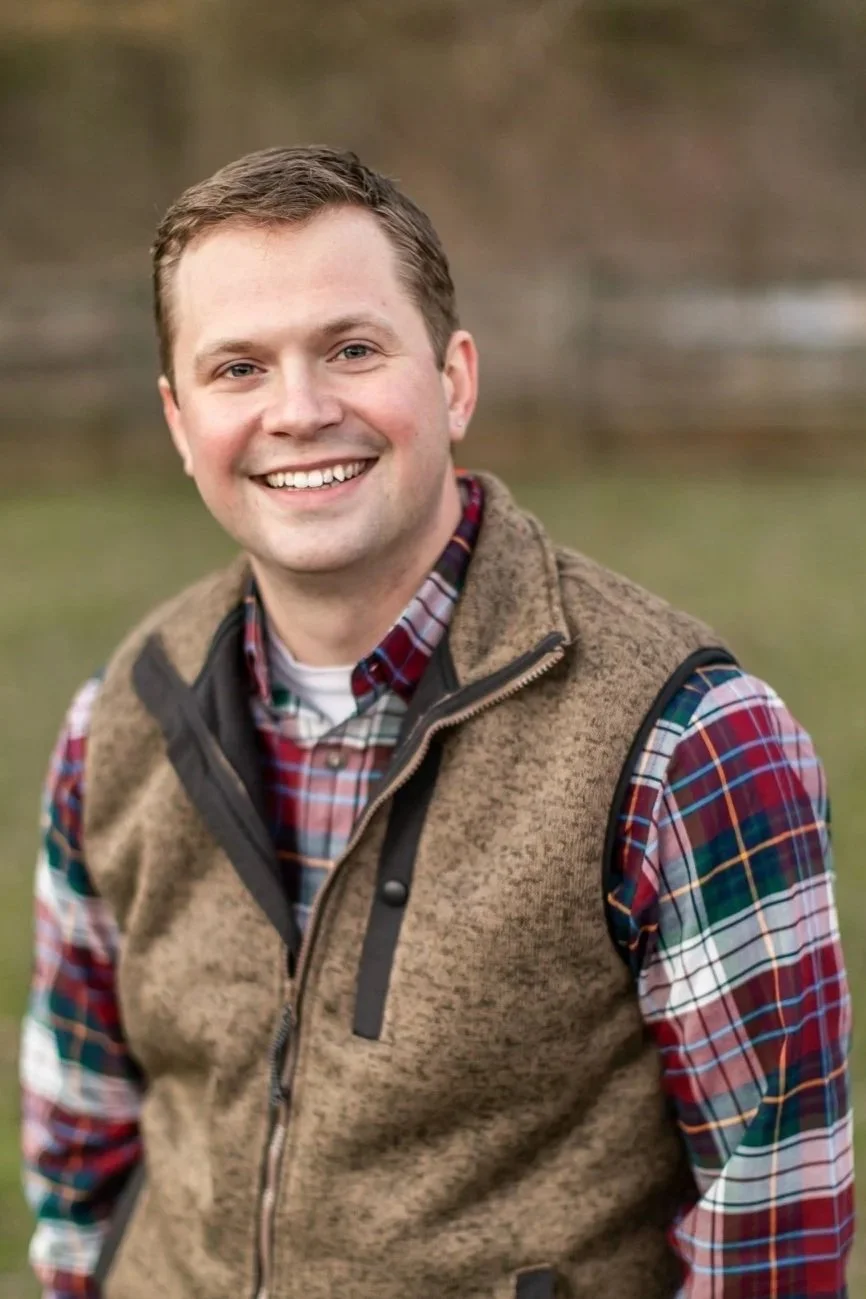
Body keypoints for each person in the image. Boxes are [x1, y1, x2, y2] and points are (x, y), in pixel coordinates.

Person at [21, 145, 853, 1299]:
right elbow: (79, 1138)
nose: (299, 411)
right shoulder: (118, 717)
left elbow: (769, 1235)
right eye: (238, 368)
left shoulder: (688, 745)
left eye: (352, 350)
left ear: (454, 380)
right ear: (178, 418)